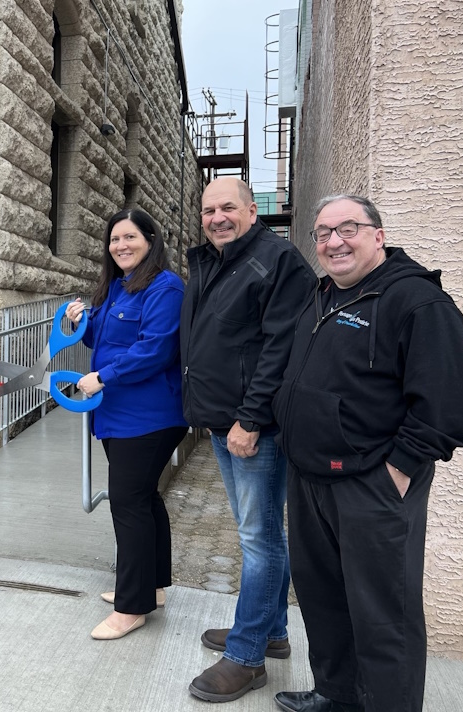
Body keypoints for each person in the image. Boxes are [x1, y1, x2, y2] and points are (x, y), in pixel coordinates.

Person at [272, 195, 463, 712]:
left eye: (348, 229)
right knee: (323, 601)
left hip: (371, 484)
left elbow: (445, 403)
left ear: (378, 235)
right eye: (322, 233)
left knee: (384, 614)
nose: (333, 242)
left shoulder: (417, 301)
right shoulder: (321, 296)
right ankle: (337, 695)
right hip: (311, 477)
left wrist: (399, 470)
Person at [180, 177, 317, 702]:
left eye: (228, 208)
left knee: (258, 538)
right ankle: (271, 631)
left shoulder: (276, 260)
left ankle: (245, 656)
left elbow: (280, 348)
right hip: (223, 422)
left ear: (252, 210)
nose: (217, 217)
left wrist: (251, 419)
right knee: (259, 533)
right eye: (209, 209)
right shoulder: (212, 260)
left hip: (252, 427)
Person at [65, 207, 187, 641]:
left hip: (150, 415)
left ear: (151, 241)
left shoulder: (165, 287)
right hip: (117, 414)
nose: (121, 245)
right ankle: (151, 588)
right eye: (115, 239)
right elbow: (104, 339)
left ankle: (131, 605)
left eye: (131, 237)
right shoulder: (117, 287)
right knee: (144, 499)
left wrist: (102, 377)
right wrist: (82, 324)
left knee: (128, 502)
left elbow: (156, 349)